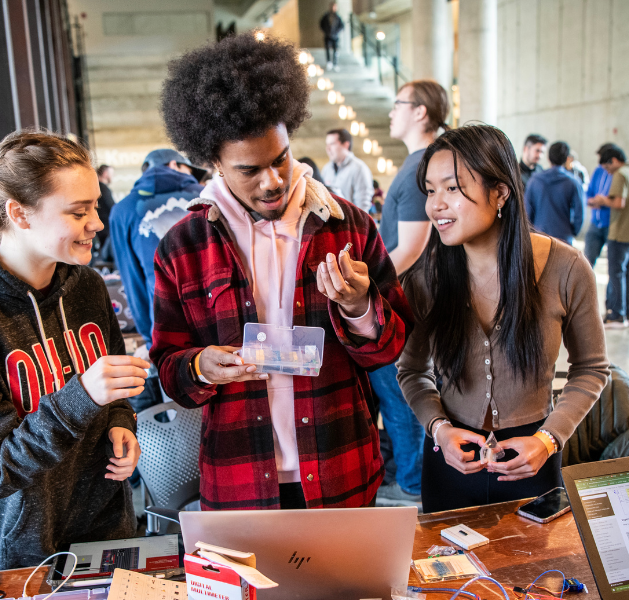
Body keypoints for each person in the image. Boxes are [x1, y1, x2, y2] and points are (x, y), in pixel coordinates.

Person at [152, 33, 413, 511]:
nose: (272, 181)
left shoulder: (348, 226)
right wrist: (199, 366)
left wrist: (359, 307)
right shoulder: (183, 246)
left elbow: (390, 349)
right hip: (240, 482)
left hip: (341, 471)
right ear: (214, 163)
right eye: (250, 170)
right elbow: (169, 370)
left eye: (280, 160)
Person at [0, 129, 149, 574]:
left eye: (95, 206)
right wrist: (82, 396)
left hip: (108, 533)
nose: (97, 223)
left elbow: (113, 388)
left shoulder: (87, 287)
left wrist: (120, 420)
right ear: (19, 214)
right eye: (78, 211)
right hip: (21, 559)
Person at [398, 124, 611, 513]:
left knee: (531, 570)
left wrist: (548, 439)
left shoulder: (567, 269)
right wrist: (440, 430)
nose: (435, 205)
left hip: (533, 461)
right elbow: (412, 371)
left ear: (500, 193)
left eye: (451, 188)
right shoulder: (426, 277)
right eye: (430, 190)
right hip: (449, 462)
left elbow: (592, 369)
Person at [371, 77, 452, 500]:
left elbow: (412, 248)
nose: (391, 111)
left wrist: (365, 286)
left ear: (420, 111)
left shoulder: (423, 166)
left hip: (405, 302)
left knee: (399, 392)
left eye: (398, 103)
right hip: (406, 299)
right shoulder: (423, 163)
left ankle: (415, 485)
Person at [110, 148, 207, 350]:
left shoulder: (123, 210)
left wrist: (149, 338)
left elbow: (132, 280)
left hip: (166, 325)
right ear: (174, 164)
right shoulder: (208, 196)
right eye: (190, 170)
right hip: (222, 317)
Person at [596, 144, 629, 328]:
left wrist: (602, 200)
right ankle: (628, 313)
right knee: (628, 273)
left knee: (616, 273)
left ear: (614, 161)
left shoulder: (621, 174)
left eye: (608, 168)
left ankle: (616, 316)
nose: (608, 173)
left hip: (620, 232)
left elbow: (619, 202)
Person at [523, 140, 585, 246]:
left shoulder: (535, 180)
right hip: (564, 238)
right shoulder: (573, 182)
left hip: (539, 236)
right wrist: (572, 231)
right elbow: (580, 213)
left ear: (548, 158)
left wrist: (531, 232)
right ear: (566, 159)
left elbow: (527, 211)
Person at [321, 128, 376, 215]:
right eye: (327, 145)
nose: (328, 149)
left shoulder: (359, 168)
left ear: (346, 145)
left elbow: (362, 207)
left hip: (350, 225)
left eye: (332, 144)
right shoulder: (326, 169)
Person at [580, 143, 617, 267]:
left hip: (611, 224)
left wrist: (604, 201)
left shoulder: (618, 174)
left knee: (614, 265)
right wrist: (592, 201)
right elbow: (588, 193)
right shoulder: (598, 171)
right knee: (587, 262)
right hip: (595, 223)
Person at [93, 164, 117, 264]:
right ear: (105, 173)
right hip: (105, 229)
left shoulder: (95, 187)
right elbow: (113, 207)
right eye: (111, 173)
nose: (112, 176)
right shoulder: (103, 188)